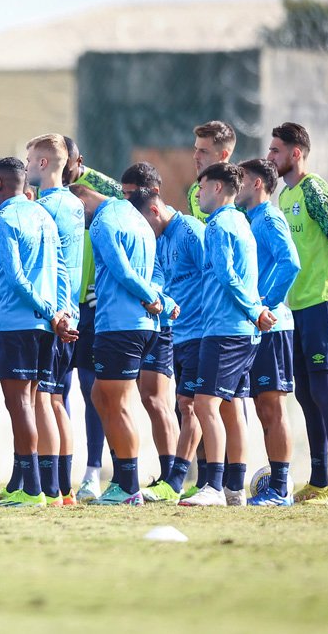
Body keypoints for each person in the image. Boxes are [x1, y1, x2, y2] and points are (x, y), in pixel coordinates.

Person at [268, 122, 328, 505]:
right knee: (306, 393)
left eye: (276, 150)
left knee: (324, 390)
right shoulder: (284, 195)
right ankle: (319, 479)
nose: (270, 156)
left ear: (296, 153)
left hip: (324, 300)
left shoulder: (314, 190)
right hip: (298, 306)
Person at [179, 162, 274, 507]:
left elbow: (227, 277)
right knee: (231, 409)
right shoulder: (241, 223)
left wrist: (255, 310)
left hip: (224, 331)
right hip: (242, 333)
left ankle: (214, 487)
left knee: (205, 405)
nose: (198, 195)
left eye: (202, 187)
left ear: (217, 188)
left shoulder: (218, 225)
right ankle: (234, 488)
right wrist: (255, 312)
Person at [70, 181, 164, 506]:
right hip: (139, 325)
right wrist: (156, 295)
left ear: (82, 203)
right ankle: (122, 480)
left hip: (120, 325)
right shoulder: (138, 219)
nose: (79, 228)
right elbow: (158, 270)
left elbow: (120, 268)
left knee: (119, 403)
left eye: (76, 219)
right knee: (101, 395)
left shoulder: (103, 223)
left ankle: (129, 487)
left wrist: (151, 296)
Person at [0, 158, 73, 508]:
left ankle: (32, 489)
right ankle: (33, 486)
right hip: (47, 325)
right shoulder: (44, 216)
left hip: (19, 322)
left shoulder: (4, 218)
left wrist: (50, 311)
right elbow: (62, 269)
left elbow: (15, 276)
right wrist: (62, 312)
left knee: (19, 403)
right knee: (34, 401)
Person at [127, 186, 206, 503]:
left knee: (192, 405)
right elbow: (160, 279)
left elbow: (212, 274)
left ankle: (177, 481)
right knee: (187, 405)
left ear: (154, 210)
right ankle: (203, 480)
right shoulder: (159, 239)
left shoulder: (190, 231)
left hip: (202, 331)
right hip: (179, 332)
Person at [236, 158, 301, 506]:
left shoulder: (271, 217)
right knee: (263, 407)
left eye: (242, 179)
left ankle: (280, 489)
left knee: (272, 407)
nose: (237, 185)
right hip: (256, 325)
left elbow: (291, 262)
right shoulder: (250, 219)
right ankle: (277, 484)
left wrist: (267, 303)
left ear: (258, 184)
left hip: (273, 326)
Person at [61, 136, 123, 501]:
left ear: (76, 161)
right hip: (59, 304)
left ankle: (94, 471)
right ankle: (58, 471)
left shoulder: (99, 189)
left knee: (93, 388)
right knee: (56, 388)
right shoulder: (47, 194)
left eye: (65, 162)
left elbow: (130, 201)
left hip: (93, 306)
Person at [119, 164, 181, 502]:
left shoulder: (175, 228)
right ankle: (169, 476)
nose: (125, 202)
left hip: (170, 324)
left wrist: (159, 299)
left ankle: (176, 477)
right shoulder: (138, 226)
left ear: (151, 194)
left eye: (130, 195)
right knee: (150, 398)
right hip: (149, 320)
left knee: (161, 401)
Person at [28, 134, 84, 506]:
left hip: (54, 315)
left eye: (30, 160)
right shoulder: (73, 203)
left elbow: (55, 265)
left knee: (43, 399)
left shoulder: (47, 208)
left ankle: (50, 488)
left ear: (44, 163)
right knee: (57, 400)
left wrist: (56, 312)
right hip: (69, 311)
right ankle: (64, 489)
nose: (26, 166)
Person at [187, 121, 236, 222]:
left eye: (203, 151)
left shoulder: (241, 192)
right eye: (196, 149)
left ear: (223, 155)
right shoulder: (195, 190)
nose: (195, 156)